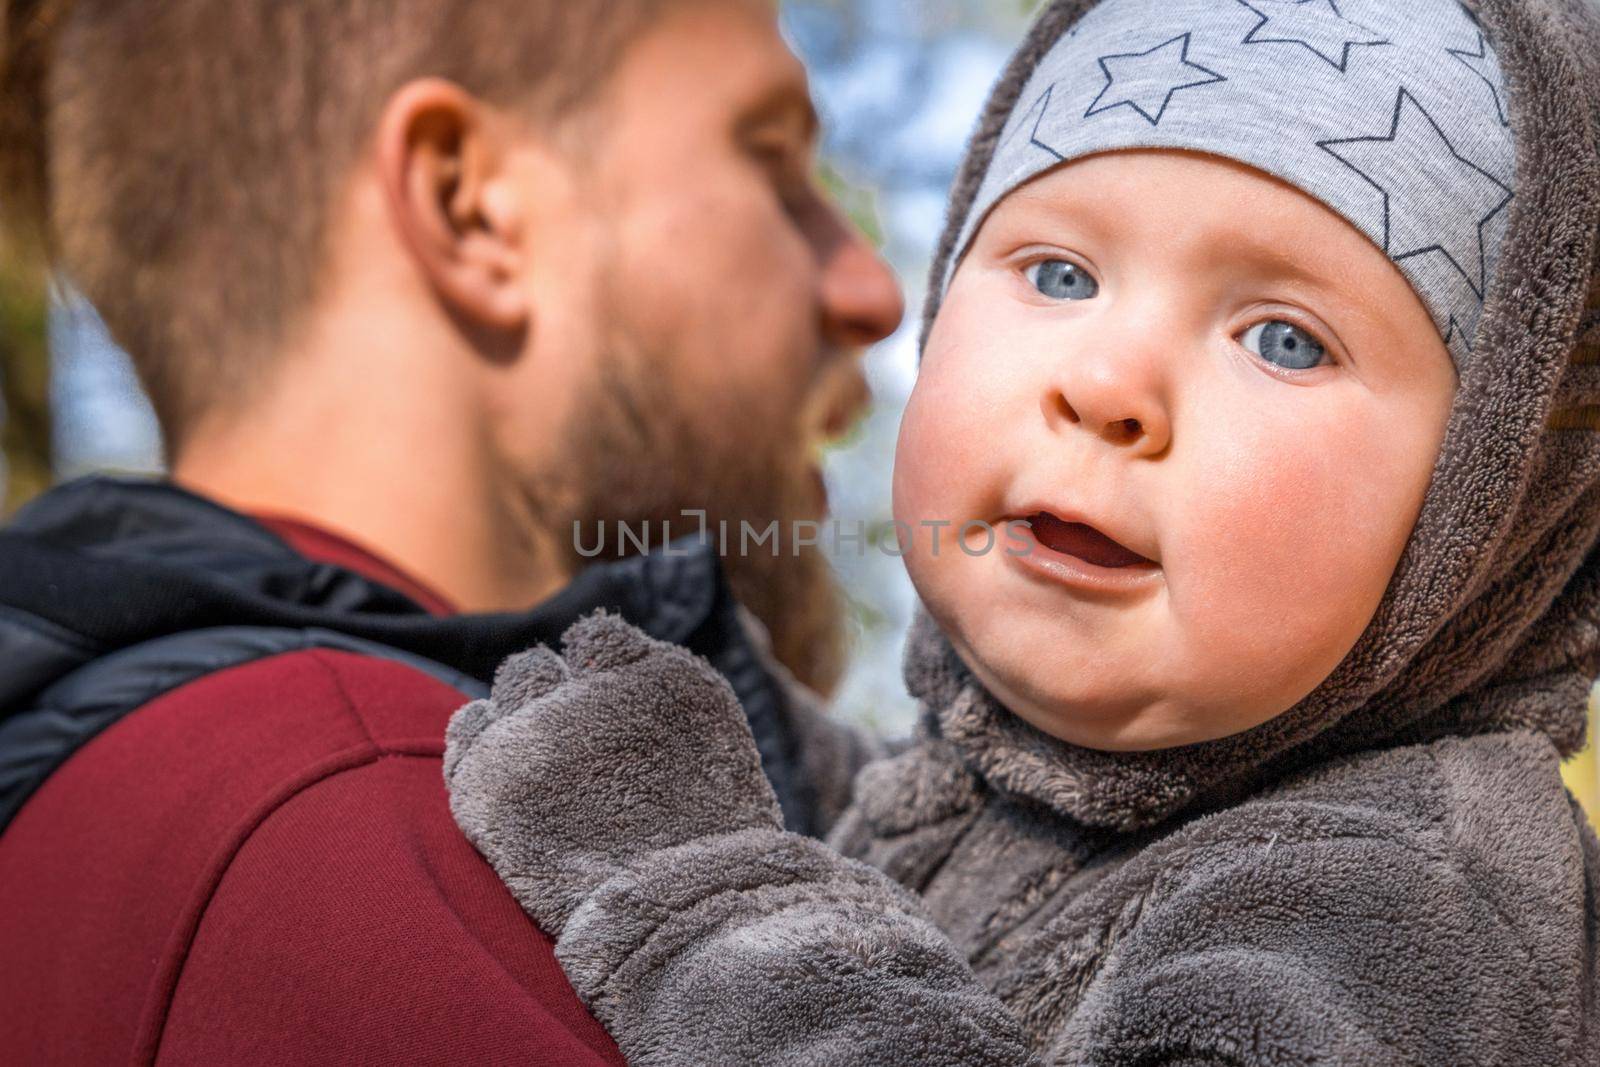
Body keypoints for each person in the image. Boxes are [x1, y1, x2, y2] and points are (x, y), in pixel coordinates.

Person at [446, 0, 1600, 1062]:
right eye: (1057, 272)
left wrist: (699, 890)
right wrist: (719, 696)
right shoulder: (1029, 776)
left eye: (1283, 337)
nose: (1104, 382)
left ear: (1493, 508)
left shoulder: (1402, 908)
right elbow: (943, 911)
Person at [0, 0, 901, 1062]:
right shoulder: (390, 844)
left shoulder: (130, 803)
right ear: (469, 207)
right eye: (771, 160)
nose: (869, 288)